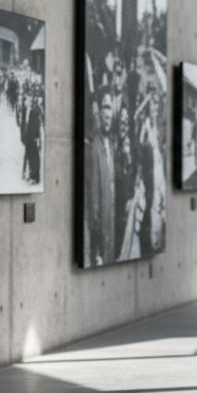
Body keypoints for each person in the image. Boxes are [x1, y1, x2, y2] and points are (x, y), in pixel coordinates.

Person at [85, 88, 117, 266]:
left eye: (111, 108)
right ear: (98, 111)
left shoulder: (111, 143)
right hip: (100, 238)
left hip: (111, 229)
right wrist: (97, 246)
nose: (108, 114)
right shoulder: (94, 147)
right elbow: (93, 199)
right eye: (105, 107)